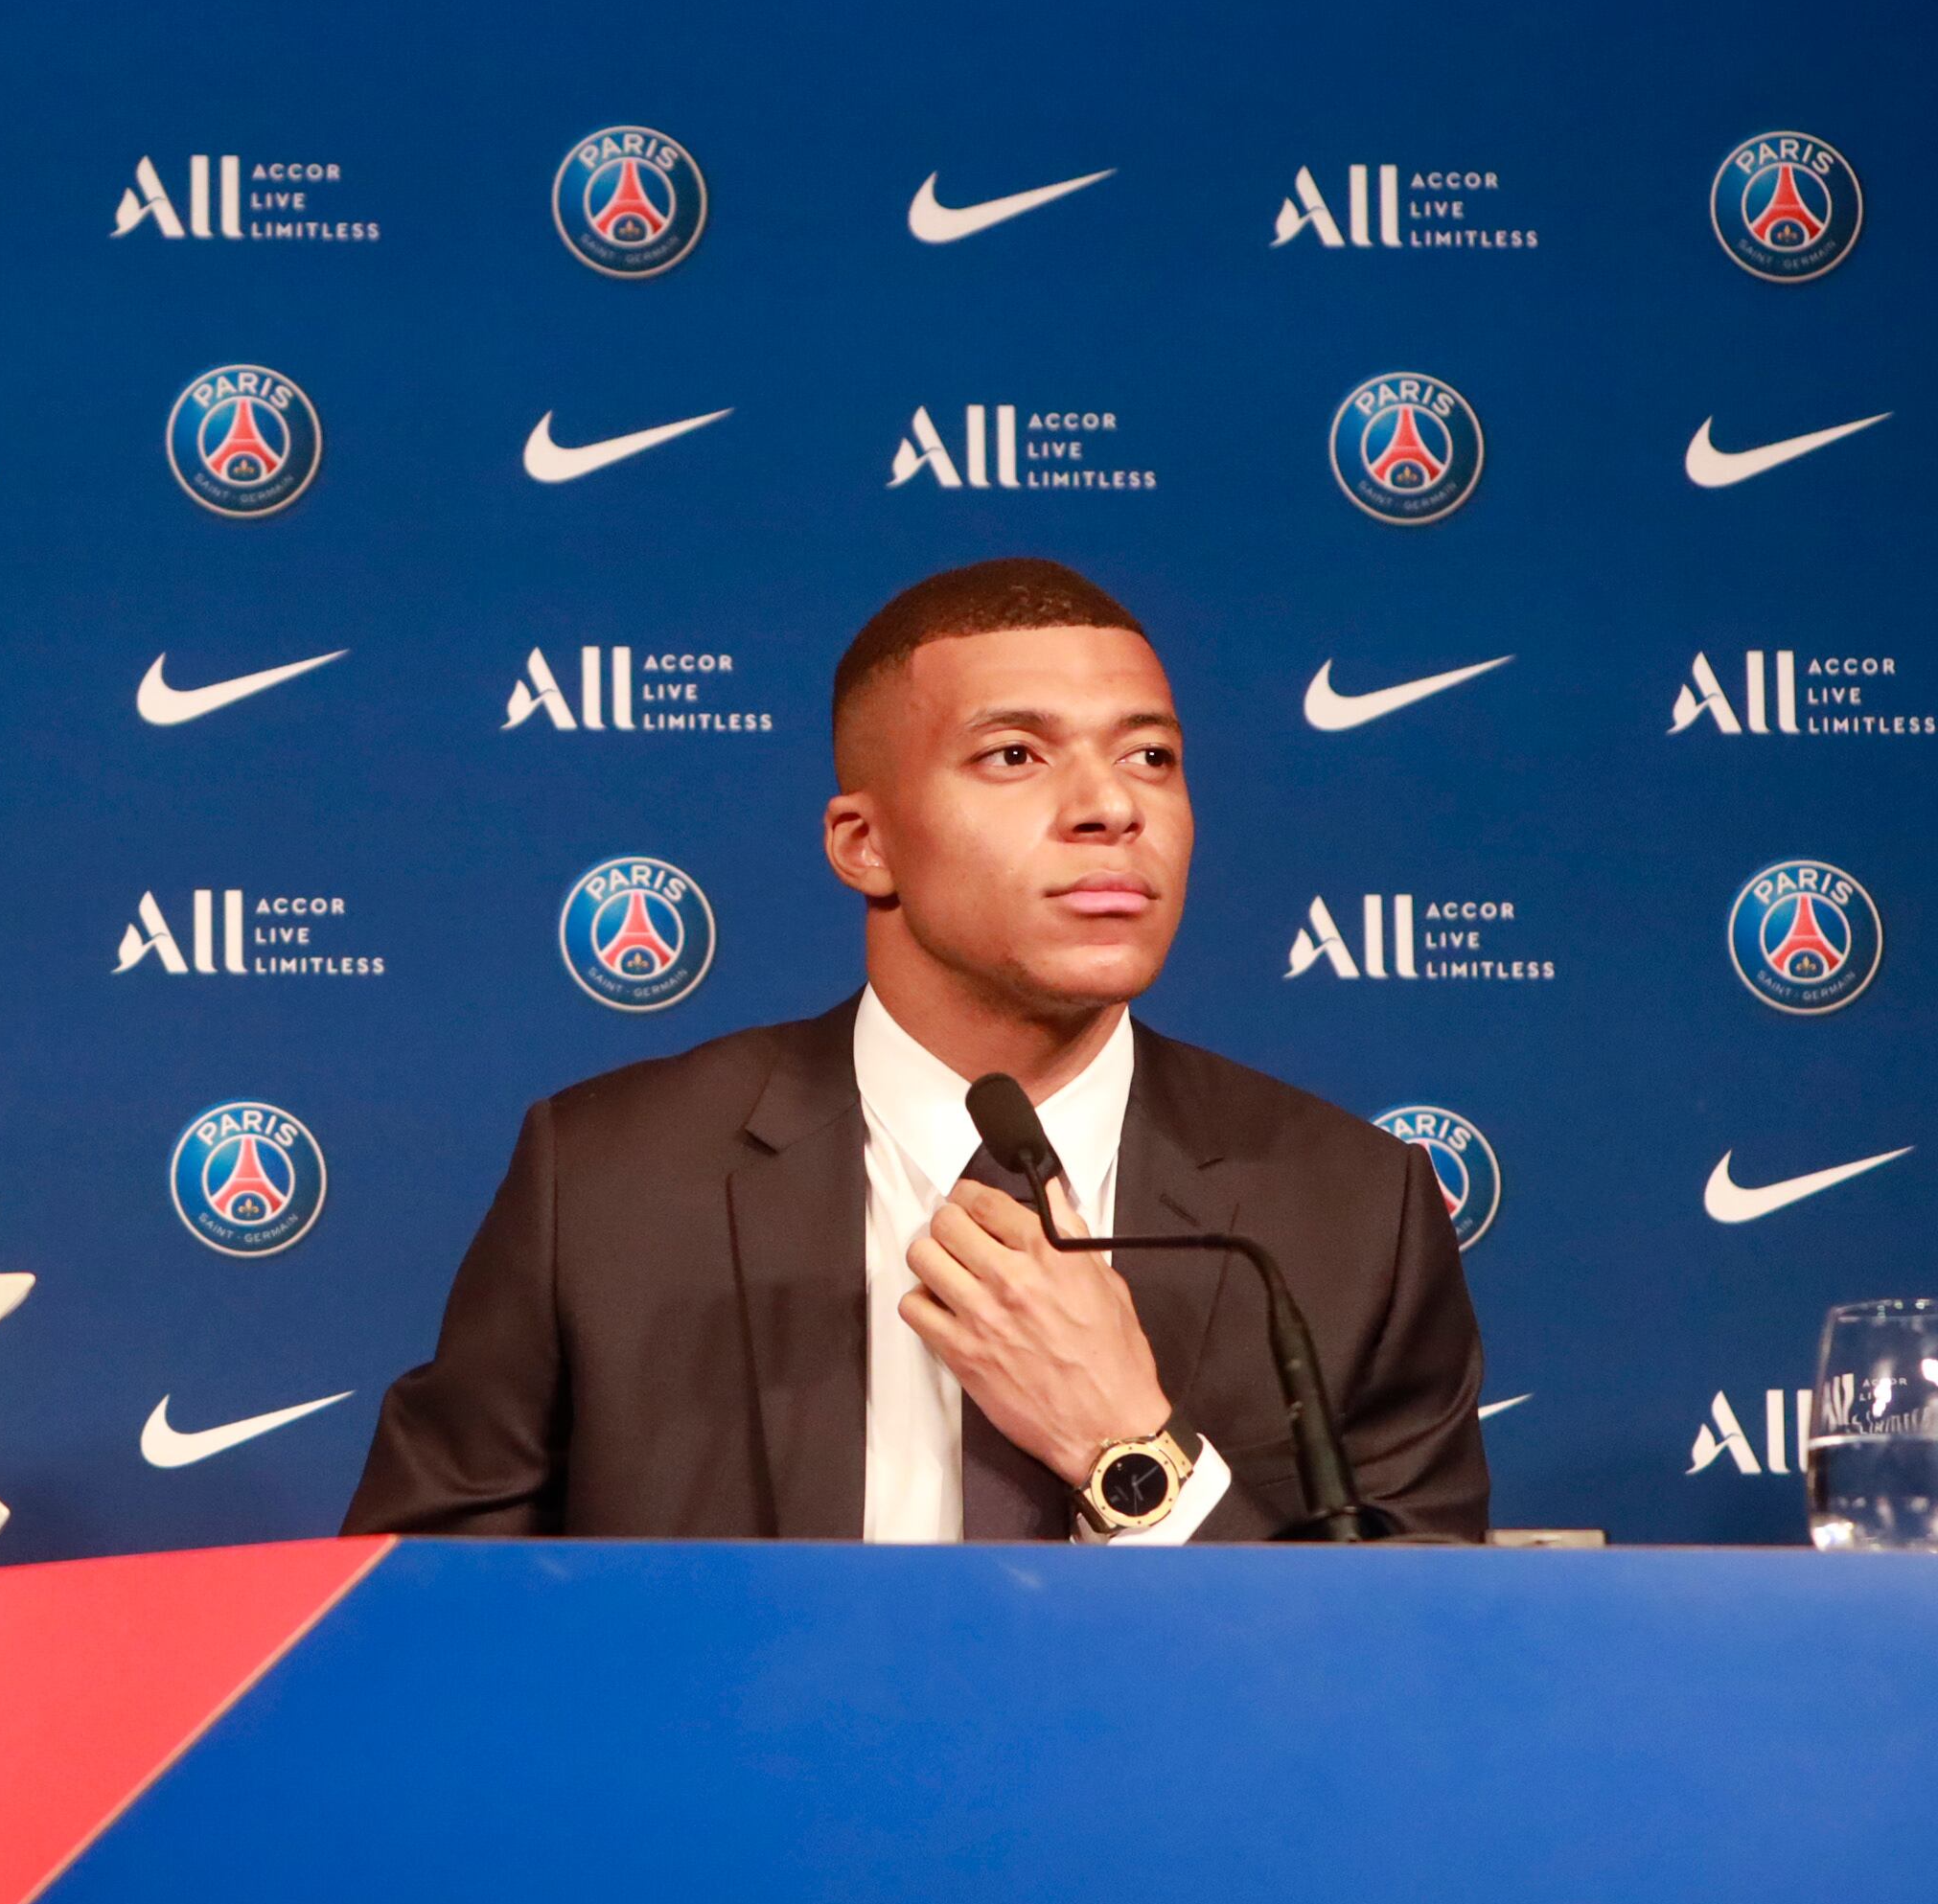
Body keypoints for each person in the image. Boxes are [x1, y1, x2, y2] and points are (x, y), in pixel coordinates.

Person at [345, 557, 1486, 1543]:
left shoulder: (1349, 1213)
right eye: (1013, 756)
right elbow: (409, 1626)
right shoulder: (607, 1181)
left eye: (1150, 756)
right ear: (865, 843)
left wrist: (1131, 1457)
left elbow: (1415, 1685)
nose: (1111, 809)